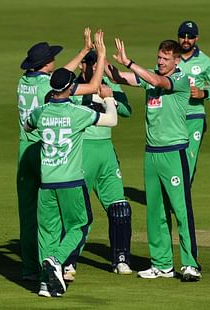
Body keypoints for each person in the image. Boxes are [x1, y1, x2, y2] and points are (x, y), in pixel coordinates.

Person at [24, 31, 118, 297]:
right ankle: (57, 261)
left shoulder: (42, 112)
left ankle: (45, 282)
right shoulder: (77, 113)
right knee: (81, 224)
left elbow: (27, 124)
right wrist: (108, 98)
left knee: (47, 233)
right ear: (69, 88)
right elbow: (111, 120)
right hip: (71, 181)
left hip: (46, 183)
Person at [108, 38, 201, 281]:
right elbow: (120, 78)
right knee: (155, 212)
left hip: (174, 152)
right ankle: (162, 265)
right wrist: (98, 59)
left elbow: (158, 81)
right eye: (159, 57)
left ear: (177, 60)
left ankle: (191, 264)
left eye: (165, 59)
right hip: (152, 153)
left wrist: (129, 61)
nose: (160, 62)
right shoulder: (150, 75)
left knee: (181, 210)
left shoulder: (180, 80)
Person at [16, 28, 94, 281]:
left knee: (29, 214)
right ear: (46, 64)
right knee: (56, 213)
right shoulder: (47, 89)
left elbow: (60, 76)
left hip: (23, 149)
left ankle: (30, 268)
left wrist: (82, 52)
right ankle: (58, 263)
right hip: (44, 151)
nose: (55, 61)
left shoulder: (25, 82)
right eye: (52, 58)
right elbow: (71, 83)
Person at [63, 50, 133, 280]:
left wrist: (110, 95)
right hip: (81, 152)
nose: (93, 68)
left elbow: (126, 112)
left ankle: (121, 259)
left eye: (97, 64)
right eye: (89, 64)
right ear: (82, 65)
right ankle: (68, 260)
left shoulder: (108, 84)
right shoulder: (72, 87)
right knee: (78, 212)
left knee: (120, 207)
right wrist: (93, 96)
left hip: (106, 153)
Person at [176, 21, 210, 182]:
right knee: (172, 158)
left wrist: (203, 93)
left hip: (194, 116)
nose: (186, 40)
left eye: (190, 37)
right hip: (173, 115)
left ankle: (181, 200)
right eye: (183, 36)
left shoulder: (205, 62)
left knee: (189, 159)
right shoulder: (170, 58)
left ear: (196, 38)